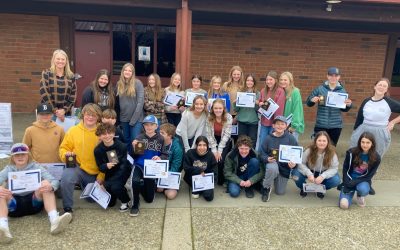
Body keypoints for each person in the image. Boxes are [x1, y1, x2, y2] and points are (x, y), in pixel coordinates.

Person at [0, 143, 72, 243]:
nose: (20, 157)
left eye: (23, 154)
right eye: (17, 155)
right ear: (12, 157)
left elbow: (54, 180)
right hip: (13, 206)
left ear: (28, 155)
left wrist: (51, 187)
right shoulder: (8, 169)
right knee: (1, 191)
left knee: (46, 184)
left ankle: (54, 220)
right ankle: (3, 229)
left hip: (34, 202)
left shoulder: (36, 166)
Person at [59, 103, 103, 213]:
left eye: (94, 115)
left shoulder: (103, 132)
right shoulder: (73, 131)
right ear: (83, 115)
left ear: (98, 117)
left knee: (91, 200)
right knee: (66, 177)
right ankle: (67, 208)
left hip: (95, 172)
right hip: (77, 167)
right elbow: (63, 148)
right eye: (88, 114)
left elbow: (110, 156)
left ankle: (84, 186)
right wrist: (66, 154)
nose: (90, 117)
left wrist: (102, 176)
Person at [350, 78, 400, 157]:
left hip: (380, 132)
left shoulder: (389, 102)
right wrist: (355, 131)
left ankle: (372, 170)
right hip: (363, 129)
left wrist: (393, 122)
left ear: (386, 89)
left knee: (375, 156)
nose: (381, 87)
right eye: (380, 85)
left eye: (384, 86)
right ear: (375, 87)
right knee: (357, 153)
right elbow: (360, 117)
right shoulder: (366, 101)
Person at [306, 67, 352, 146]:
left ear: (339, 77)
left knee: (331, 148)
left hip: (336, 125)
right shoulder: (320, 89)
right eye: (331, 75)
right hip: (321, 124)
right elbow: (308, 103)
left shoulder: (342, 91)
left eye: (336, 76)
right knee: (318, 147)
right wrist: (311, 100)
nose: (333, 78)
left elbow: (344, 109)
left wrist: (349, 105)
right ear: (327, 76)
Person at [130, 115, 165, 217]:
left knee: (149, 199)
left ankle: (143, 185)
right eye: (146, 125)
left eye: (151, 125)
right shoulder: (139, 137)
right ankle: (135, 204)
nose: (149, 127)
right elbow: (134, 156)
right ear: (143, 126)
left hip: (152, 168)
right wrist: (133, 148)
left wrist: (160, 158)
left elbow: (165, 154)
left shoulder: (161, 138)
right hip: (140, 165)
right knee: (135, 181)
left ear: (156, 126)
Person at [291, 131, 341, 199]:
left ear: (327, 142)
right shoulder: (309, 150)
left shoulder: (332, 153)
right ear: (315, 141)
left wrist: (323, 176)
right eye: (319, 140)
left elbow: (334, 168)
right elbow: (301, 163)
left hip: (323, 172)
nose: (322, 143)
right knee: (295, 175)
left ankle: (320, 189)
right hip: (310, 171)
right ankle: (304, 188)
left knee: (336, 180)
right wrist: (309, 173)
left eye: (324, 141)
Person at [260, 116, 298, 202]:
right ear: (273, 125)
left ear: (286, 126)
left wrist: (294, 164)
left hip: (284, 168)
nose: (280, 126)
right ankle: (266, 188)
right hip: (272, 164)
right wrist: (266, 158)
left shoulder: (291, 138)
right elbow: (262, 153)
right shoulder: (268, 138)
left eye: (282, 124)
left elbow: (296, 154)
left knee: (280, 192)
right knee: (272, 168)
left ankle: (274, 178)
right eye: (277, 124)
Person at [94, 123, 131, 211]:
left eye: (109, 133)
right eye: (103, 134)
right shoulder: (98, 150)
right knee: (110, 204)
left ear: (114, 133)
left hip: (123, 171)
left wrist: (107, 184)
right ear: (99, 136)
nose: (107, 136)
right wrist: (105, 166)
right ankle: (119, 189)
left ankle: (126, 201)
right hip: (109, 173)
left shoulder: (121, 146)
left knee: (115, 187)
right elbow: (100, 167)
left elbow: (124, 167)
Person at [339, 132, 381, 209]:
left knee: (363, 189)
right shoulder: (351, 152)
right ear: (359, 142)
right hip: (349, 179)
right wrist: (346, 182)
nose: (365, 145)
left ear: (372, 144)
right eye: (363, 142)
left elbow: (369, 176)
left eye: (368, 142)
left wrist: (354, 182)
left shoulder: (376, 158)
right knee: (343, 205)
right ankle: (348, 192)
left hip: (363, 180)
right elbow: (345, 168)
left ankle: (360, 195)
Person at [115, 63, 144, 153]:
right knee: (126, 141)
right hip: (124, 118)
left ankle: (139, 162)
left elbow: (140, 102)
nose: (127, 72)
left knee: (136, 141)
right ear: (122, 71)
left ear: (132, 73)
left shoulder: (138, 83)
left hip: (136, 118)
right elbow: (116, 102)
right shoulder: (119, 84)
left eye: (130, 70)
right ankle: (129, 162)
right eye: (125, 70)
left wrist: (133, 120)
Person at [39, 49, 76, 119]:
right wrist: (55, 110)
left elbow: (73, 96)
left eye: (63, 59)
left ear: (66, 61)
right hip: (49, 112)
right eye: (58, 59)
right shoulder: (46, 73)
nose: (60, 61)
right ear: (53, 60)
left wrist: (64, 110)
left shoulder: (71, 76)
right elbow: (44, 93)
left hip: (65, 113)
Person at [206, 99, 233, 185]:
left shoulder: (228, 117)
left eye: (220, 108)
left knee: (221, 159)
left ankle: (221, 180)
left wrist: (219, 150)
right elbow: (209, 134)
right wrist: (214, 150)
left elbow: (227, 135)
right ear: (212, 109)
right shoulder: (209, 117)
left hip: (224, 139)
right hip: (212, 139)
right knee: (212, 158)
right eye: (216, 108)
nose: (218, 110)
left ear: (223, 108)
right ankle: (210, 178)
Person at [258, 71, 286, 152]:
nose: (268, 81)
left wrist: (276, 123)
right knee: (262, 142)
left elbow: (279, 109)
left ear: (275, 80)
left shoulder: (280, 91)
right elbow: (260, 104)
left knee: (272, 143)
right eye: (267, 80)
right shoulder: (263, 91)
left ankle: (270, 161)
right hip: (264, 122)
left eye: (271, 79)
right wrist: (260, 104)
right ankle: (261, 161)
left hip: (273, 123)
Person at [183, 136, 217, 201]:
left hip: (205, 179)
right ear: (196, 145)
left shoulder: (210, 155)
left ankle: (199, 189)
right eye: (199, 145)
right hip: (192, 178)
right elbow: (186, 168)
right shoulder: (190, 153)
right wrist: (199, 170)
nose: (202, 147)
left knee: (208, 197)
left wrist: (211, 182)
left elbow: (214, 170)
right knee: (196, 193)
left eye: (204, 145)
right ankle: (196, 188)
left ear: (207, 146)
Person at [157, 123, 184, 200]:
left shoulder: (177, 148)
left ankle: (162, 187)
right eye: (159, 132)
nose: (159, 134)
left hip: (170, 173)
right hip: (157, 171)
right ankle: (159, 186)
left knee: (171, 195)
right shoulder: (156, 141)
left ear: (169, 136)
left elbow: (175, 167)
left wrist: (163, 181)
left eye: (162, 133)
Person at [234, 74, 260, 147]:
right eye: (248, 80)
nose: (249, 82)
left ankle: (252, 158)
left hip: (253, 122)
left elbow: (258, 110)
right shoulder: (240, 93)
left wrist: (256, 103)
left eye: (251, 81)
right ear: (245, 82)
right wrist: (235, 103)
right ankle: (241, 157)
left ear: (254, 82)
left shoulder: (258, 94)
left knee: (252, 141)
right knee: (241, 142)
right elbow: (236, 109)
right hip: (242, 121)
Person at [279, 71, 304, 141]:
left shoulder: (295, 92)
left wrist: (294, 126)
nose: (282, 82)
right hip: (283, 126)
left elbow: (297, 110)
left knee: (291, 148)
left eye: (285, 80)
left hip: (292, 127)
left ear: (290, 81)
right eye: (281, 80)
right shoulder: (282, 92)